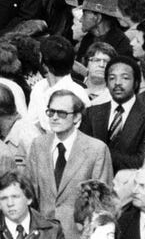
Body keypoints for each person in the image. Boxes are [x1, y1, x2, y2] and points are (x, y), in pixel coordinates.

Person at [26, 89, 112, 238]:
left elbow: (101, 204)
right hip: (43, 233)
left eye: (62, 113)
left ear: (77, 117)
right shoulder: (38, 145)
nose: (54, 118)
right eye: (51, 112)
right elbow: (30, 192)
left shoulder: (96, 149)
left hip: (78, 234)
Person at [80, 57, 145, 173]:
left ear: (136, 82)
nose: (117, 83)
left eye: (125, 78)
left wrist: (100, 154)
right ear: (107, 83)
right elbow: (81, 153)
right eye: (112, 78)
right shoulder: (91, 113)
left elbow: (143, 160)